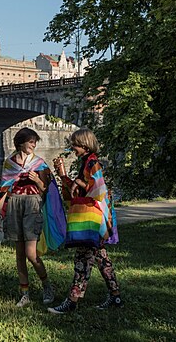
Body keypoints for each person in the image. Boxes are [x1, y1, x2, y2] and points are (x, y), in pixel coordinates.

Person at [48, 128, 122, 314]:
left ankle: (72, 302)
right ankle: (115, 296)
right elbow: (77, 193)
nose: (72, 147)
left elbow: (98, 190)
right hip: (93, 218)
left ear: (84, 145)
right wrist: (63, 175)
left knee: (82, 260)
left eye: (75, 144)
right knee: (101, 259)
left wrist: (76, 182)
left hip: (91, 219)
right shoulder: (86, 162)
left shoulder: (93, 163)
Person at [0, 127, 55, 307]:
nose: (33, 144)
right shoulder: (9, 163)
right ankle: (25, 293)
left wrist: (37, 180)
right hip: (14, 205)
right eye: (31, 141)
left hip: (33, 205)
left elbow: (47, 190)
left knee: (31, 253)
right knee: (19, 254)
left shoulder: (40, 164)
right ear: (20, 143)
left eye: (35, 141)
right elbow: (3, 190)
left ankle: (46, 286)